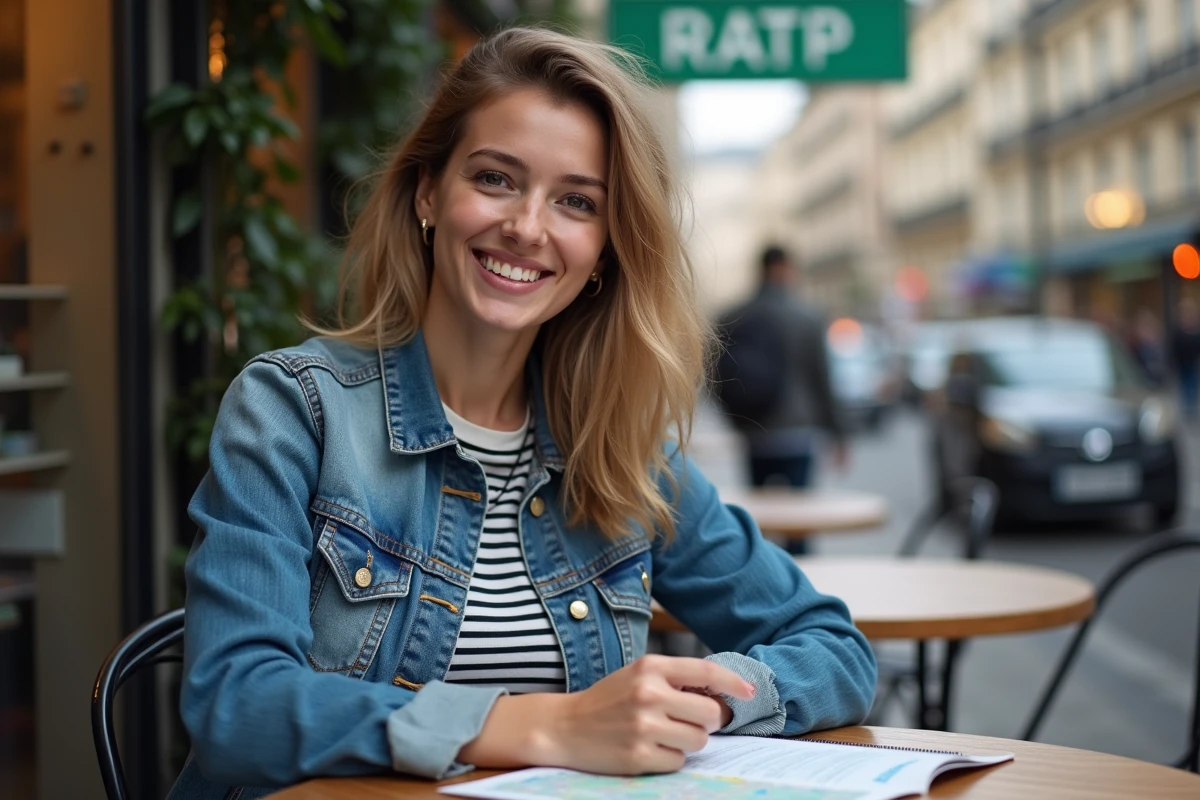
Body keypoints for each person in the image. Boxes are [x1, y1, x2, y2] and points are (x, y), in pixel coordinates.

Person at [168, 28, 875, 799]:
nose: (529, 227)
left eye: (577, 201)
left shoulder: (618, 446)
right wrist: (547, 726)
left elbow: (834, 649)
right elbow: (237, 706)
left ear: (604, 248)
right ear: (427, 191)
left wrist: (676, 710)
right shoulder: (293, 411)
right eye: (496, 179)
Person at [715, 247, 846, 552]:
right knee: (799, 522)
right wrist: (838, 432)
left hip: (754, 431)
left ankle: (762, 579)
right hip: (798, 432)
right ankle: (801, 580)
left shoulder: (733, 315)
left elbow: (714, 376)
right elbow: (822, 380)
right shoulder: (808, 316)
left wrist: (733, 418)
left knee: (757, 522)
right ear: (786, 268)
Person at [1172, 297, 1200, 419]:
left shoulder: (1195, 330)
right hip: (1183, 363)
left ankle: (1191, 406)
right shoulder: (1179, 331)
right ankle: (1187, 406)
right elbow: (1175, 348)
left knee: (1192, 384)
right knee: (1185, 385)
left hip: (1192, 363)